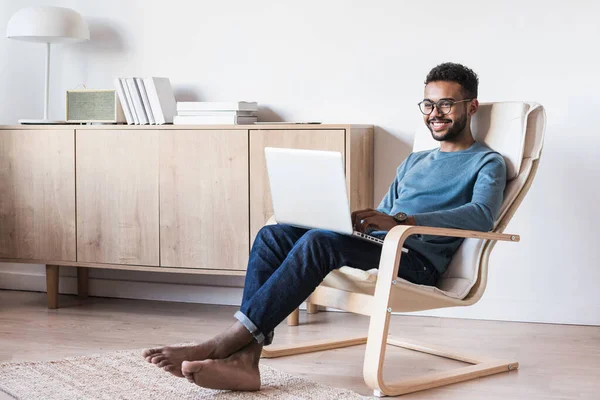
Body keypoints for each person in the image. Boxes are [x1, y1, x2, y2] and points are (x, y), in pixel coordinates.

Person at [142, 62, 507, 391]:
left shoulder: (487, 162)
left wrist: (401, 220)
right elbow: (385, 214)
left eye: (446, 104)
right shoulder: (414, 161)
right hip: (384, 244)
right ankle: (246, 361)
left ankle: (228, 342)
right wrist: (356, 222)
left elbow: (480, 216)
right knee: (274, 234)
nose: (435, 113)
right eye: (428, 105)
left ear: (471, 106)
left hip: (417, 260)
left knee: (319, 242)